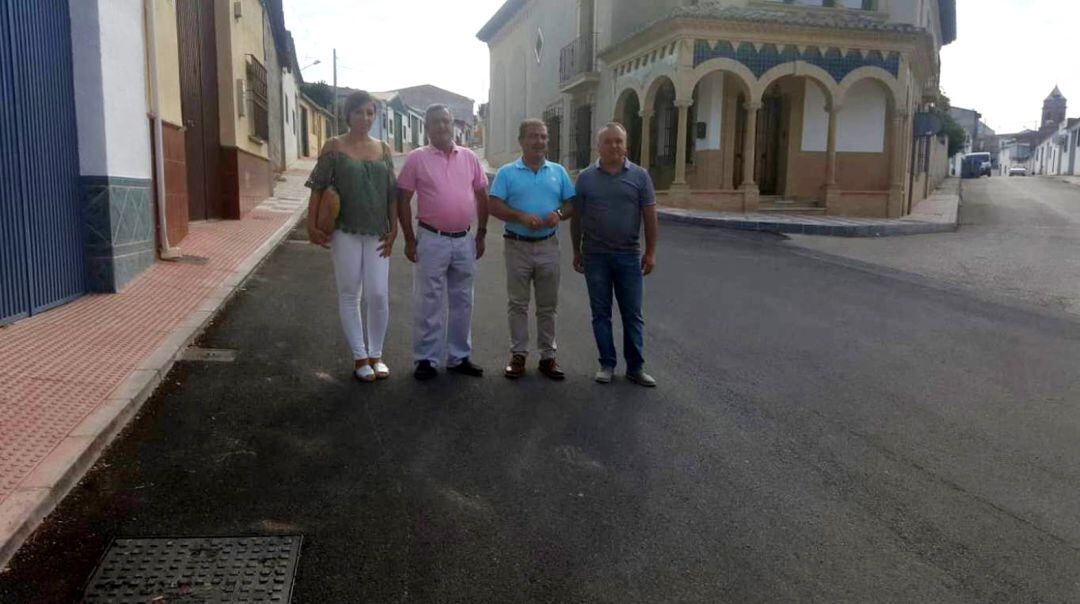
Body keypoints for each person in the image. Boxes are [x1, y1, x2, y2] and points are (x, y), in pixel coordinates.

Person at [305, 90, 398, 382]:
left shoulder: (384, 149)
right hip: (344, 231)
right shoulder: (333, 146)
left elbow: (392, 194)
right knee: (349, 293)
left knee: (379, 294)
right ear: (348, 115)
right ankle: (360, 357)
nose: (365, 118)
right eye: (359, 112)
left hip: (377, 232)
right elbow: (318, 187)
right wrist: (311, 224)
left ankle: (377, 354)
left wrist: (393, 228)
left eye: (370, 112)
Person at [397, 104, 491, 381]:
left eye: (446, 122)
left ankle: (459, 356)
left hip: (464, 240)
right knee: (429, 301)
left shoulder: (470, 158)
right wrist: (409, 239)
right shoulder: (416, 158)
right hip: (432, 239)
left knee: (463, 300)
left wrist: (482, 233)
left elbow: (482, 196)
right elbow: (402, 199)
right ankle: (426, 358)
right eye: (436, 122)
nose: (442, 127)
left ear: (453, 125)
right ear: (426, 127)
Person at [571, 122, 658, 387]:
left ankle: (635, 367)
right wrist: (577, 250)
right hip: (595, 256)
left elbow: (650, 217)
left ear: (626, 145)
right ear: (598, 147)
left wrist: (651, 252)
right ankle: (606, 363)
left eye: (618, 141)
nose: (614, 146)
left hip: (629, 256)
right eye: (608, 142)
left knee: (633, 314)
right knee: (601, 313)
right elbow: (577, 218)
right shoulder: (585, 178)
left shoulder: (640, 177)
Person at [488, 119, 575, 380]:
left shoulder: (558, 171)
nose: (540, 141)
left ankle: (548, 357)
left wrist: (558, 213)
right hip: (517, 245)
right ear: (521, 141)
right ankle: (518, 355)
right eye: (533, 136)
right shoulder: (506, 173)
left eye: (544, 137)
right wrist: (521, 217)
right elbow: (494, 205)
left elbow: (571, 203)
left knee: (548, 305)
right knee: (518, 304)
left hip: (548, 245)